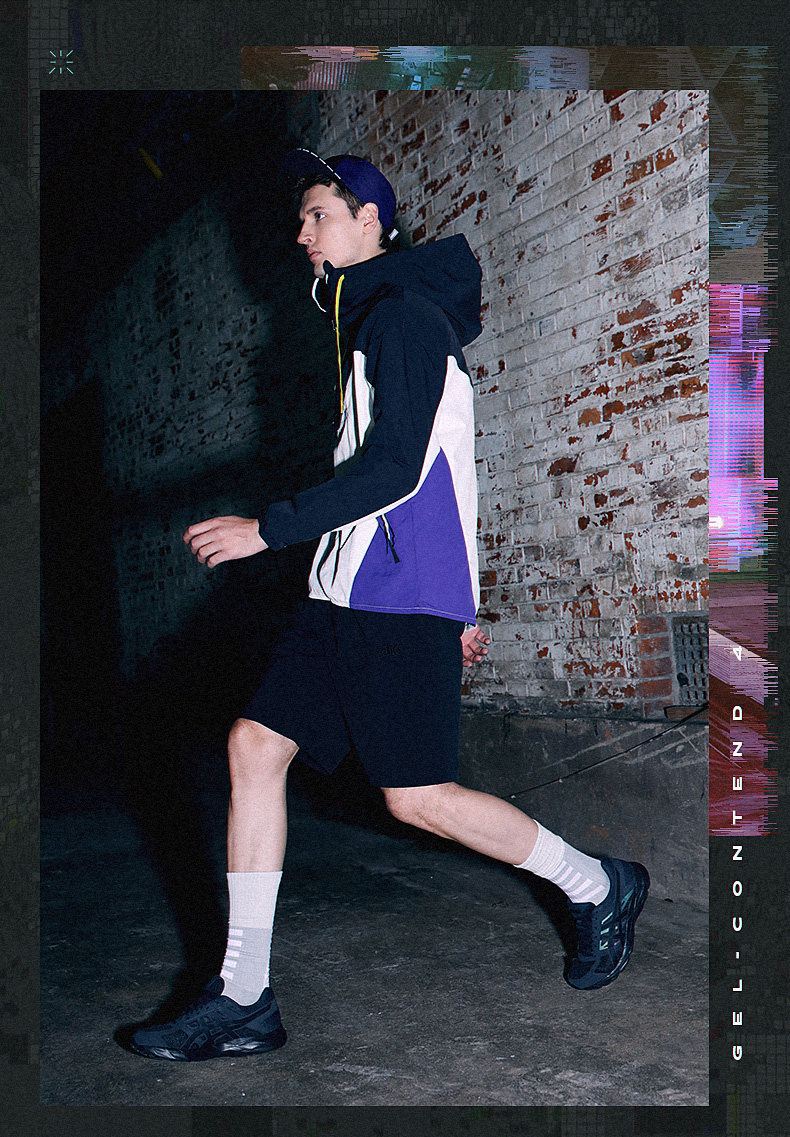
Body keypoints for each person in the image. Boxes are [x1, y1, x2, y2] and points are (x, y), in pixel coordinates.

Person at [130, 150, 650, 1063]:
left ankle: (598, 883)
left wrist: (269, 528)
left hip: (395, 592)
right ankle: (243, 995)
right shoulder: (370, 318)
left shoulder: (402, 315)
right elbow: (442, 469)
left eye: (319, 215)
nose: (302, 233)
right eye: (302, 218)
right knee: (255, 744)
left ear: (370, 219)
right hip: (346, 584)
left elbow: (401, 469)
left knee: (416, 798)